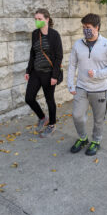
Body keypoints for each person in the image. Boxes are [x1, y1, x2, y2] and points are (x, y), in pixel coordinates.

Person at [68, 13, 107, 155]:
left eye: (88, 27)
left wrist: (97, 74)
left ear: (97, 27)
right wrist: (70, 84)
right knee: (77, 115)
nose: (85, 30)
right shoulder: (78, 44)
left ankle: (96, 140)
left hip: (100, 89)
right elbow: (72, 65)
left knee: (98, 119)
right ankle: (83, 138)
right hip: (81, 87)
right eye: (84, 27)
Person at [25, 8, 63, 138]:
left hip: (49, 73)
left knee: (49, 99)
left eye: (40, 19)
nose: (37, 21)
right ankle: (42, 118)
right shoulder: (35, 34)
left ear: (47, 19)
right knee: (29, 98)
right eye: (36, 19)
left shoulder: (54, 35)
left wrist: (54, 76)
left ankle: (52, 124)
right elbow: (33, 53)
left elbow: (59, 57)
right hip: (36, 72)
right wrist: (28, 71)